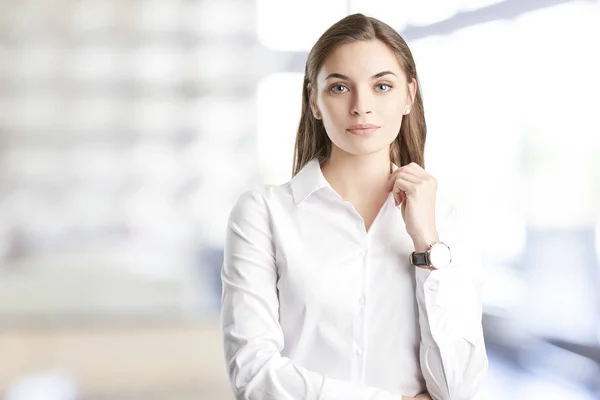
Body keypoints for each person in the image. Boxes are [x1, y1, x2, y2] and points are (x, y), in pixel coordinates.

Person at [220, 13, 488, 400]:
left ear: (409, 96)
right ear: (313, 100)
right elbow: (252, 374)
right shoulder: (263, 214)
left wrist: (426, 243)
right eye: (340, 88)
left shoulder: (444, 220)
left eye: (382, 86)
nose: (362, 106)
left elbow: (459, 387)